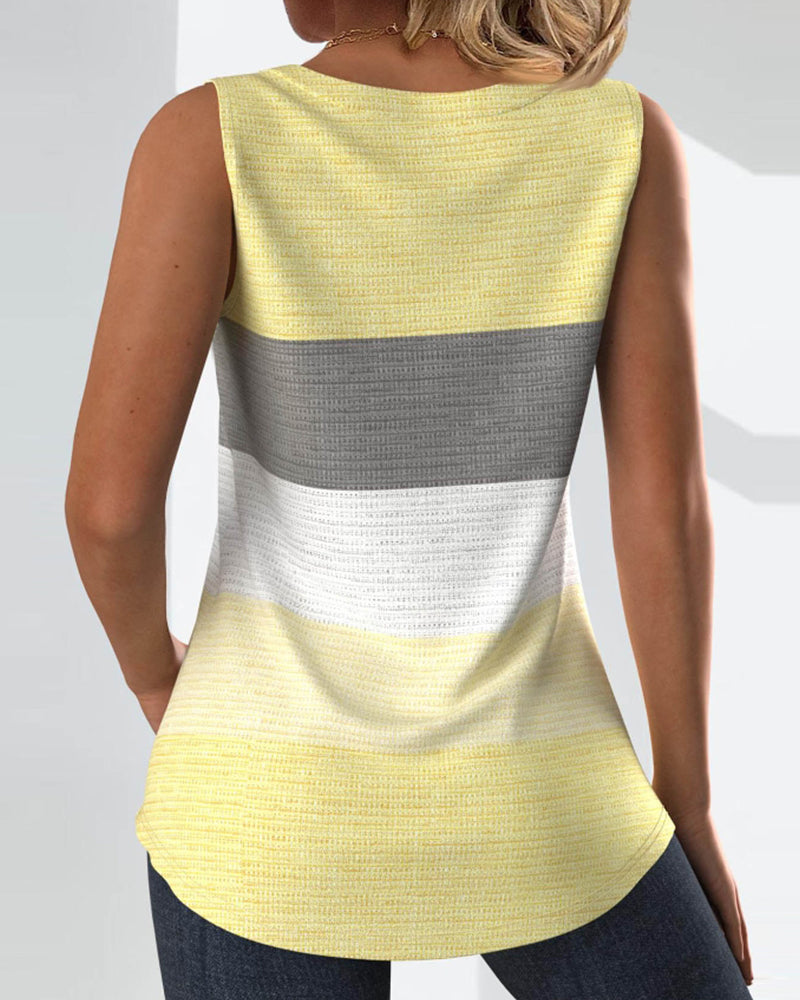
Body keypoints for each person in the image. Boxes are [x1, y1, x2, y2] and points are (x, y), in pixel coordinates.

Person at [65, 1, 755, 997]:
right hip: (537, 795)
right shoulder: (620, 138)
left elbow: (108, 511)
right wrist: (685, 800)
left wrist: (153, 680)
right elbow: (665, 508)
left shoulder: (209, 138)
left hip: (267, 804)